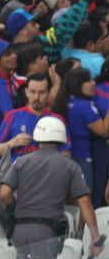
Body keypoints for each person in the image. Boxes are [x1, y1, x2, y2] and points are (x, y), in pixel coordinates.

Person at [0, 116, 103, 259]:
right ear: (61, 139)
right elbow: (85, 202)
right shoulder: (70, 166)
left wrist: (13, 208)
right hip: (46, 232)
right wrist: (95, 236)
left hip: (19, 231)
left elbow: (4, 193)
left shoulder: (21, 162)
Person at [52, 68, 109, 206]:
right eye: (89, 80)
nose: (93, 83)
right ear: (79, 84)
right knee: (85, 195)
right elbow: (104, 131)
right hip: (83, 155)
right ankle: (81, 227)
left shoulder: (67, 100)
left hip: (71, 153)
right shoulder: (84, 106)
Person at [0, 74, 69, 159]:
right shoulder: (12, 116)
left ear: (48, 93)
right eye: (33, 92)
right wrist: (12, 143)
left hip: (46, 171)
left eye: (42, 92)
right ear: (26, 92)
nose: (37, 97)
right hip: (18, 171)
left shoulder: (57, 120)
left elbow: (66, 153)